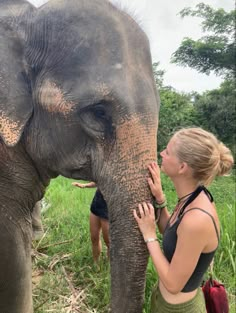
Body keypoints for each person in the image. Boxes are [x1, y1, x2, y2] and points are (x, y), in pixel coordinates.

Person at [133, 127, 234, 313]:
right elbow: (173, 235)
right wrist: (161, 200)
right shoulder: (193, 197)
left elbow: (173, 284)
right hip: (166, 303)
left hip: (179, 309)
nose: (162, 153)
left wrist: (149, 236)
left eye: (168, 152)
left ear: (182, 167)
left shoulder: (197, 220)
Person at [72, 181, 109, 262]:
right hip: (97, 204)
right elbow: (98, 181)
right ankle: (96, 263)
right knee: (94, 237)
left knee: (108, 242)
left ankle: (110, 266)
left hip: (108, 209)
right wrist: (84, 185)